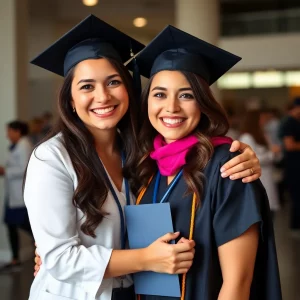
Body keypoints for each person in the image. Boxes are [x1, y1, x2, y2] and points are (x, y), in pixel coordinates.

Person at [29, 15, 263, 300]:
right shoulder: (52, 158)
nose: (102, 96)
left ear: (129, 90)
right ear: (70, 101)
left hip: (135, 293)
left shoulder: (141, 154)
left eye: (113, 82)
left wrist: (243, 156)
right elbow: (61, 259)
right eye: (87, 86)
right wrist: (146, 259)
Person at [131, 25, 281, 299]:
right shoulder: (145, 168)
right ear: (147, 102)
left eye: (186, 95)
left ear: (202, 103)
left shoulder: (228, 168)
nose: (171, 107)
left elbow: (238, 283)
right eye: (160, 94)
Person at [0, 120, 33, 272]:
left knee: (24, 224)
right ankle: (15, 259)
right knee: (11, 225)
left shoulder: (24, 145)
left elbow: (26, 168)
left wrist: (5, 171)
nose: (7, 135)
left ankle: (45, 248)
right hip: (12, 194)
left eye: (9, 131)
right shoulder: (16, 146)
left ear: (18, 131)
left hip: (20, 195)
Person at [240, 110, 280, 218]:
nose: (264, 121)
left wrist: (274, 152)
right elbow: (252, 158)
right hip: (259, 176)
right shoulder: (247, 137)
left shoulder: (263, 134)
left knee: (271, 210)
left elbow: (274, 153)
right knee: (261, 209)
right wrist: (272, 154)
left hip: (269, 175)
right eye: (262, 118)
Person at [280, 97, 300, 237]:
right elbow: (289, 145)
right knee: (297, 197)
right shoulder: (289, 123)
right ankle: (295, 227)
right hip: (293, 167)